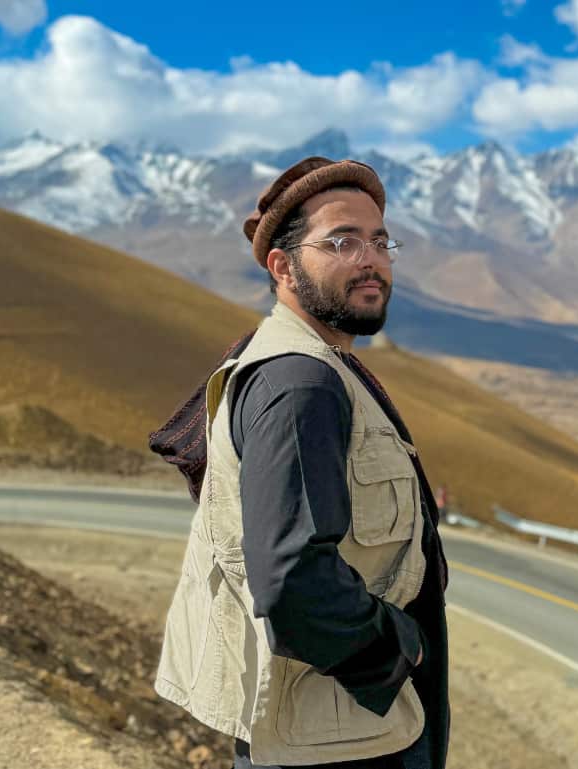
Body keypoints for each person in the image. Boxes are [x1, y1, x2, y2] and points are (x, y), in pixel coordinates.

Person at [154, 157, 450, 769]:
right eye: (341, 242)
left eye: (379, 241)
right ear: (283, 266)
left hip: (341, 727)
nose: (371, 260)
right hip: (334, 740)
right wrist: (401, 649)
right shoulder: (300, 384)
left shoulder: (316, 365)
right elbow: (291, 577)